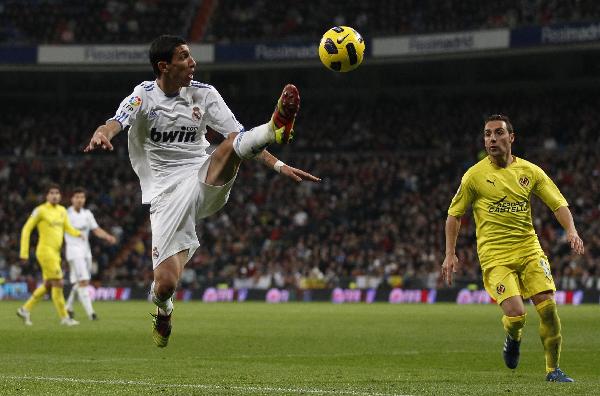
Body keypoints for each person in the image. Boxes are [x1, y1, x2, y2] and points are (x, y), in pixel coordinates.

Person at [84, 34, 319, 347]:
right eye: (183, 57)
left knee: (227, 146)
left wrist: (277, 165)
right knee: (165, 284)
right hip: (165, 193)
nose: (192, 62)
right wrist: (102, 134)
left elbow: (237, 136)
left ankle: (273, 127)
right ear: (164, 66)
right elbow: (115, 121)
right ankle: (164, 310)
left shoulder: (204, 94)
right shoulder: (144, 95)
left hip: (203, 173)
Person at [442, 114, 584, 382]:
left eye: (498, 133)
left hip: (529, 250)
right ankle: (513, 336)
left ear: (511, 137)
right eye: (487, 134)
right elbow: (454, 215)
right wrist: (450, 253)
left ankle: (553, 370)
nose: (492, 139)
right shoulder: (474, 176)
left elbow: (557, 203)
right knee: (517, 314)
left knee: (549, 309)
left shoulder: (530, 172)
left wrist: (571, 230)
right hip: (495, 257)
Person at [17, 184, 82, 326]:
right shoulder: (40, 210)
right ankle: (65, 318)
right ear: (47, 196)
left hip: (56, 253)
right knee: (58, 282)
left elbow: (67, 227)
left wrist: (78, 233)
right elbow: (26, 229)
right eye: (51, 193)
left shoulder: (62, 211)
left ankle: (25, 309)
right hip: (45, 252)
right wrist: (24, 252)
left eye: (57, 193)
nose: (55, 195)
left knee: (48, 285)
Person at [65, 187, 117, 321]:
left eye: (82, 197)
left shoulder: (87, 214)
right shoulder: (66, 214)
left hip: (86, 251)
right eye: (77, 197)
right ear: (72, 199)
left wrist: (107, 237)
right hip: (73, 251)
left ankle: (68, 307)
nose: (79, 200)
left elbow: (96, 229)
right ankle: (91, 314)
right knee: (84, 281)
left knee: (80, 281)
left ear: (85, 199)